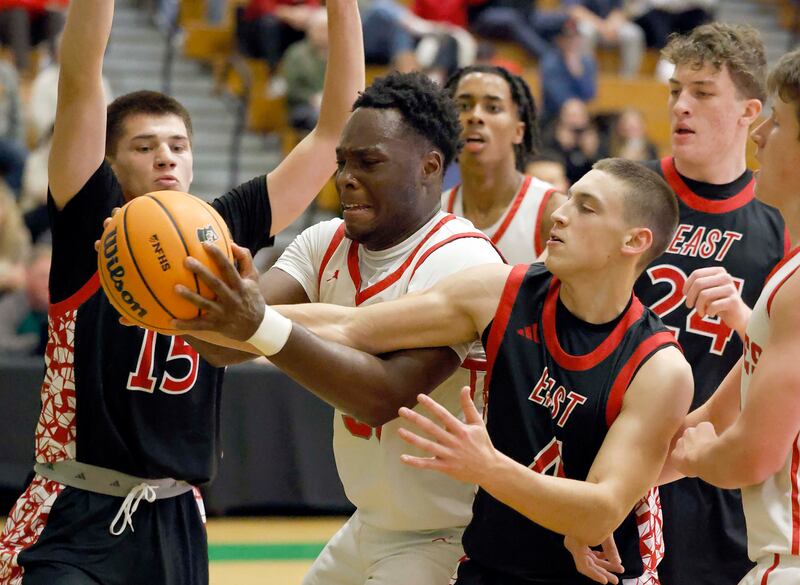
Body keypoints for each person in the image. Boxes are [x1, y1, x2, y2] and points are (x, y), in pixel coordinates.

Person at [172, 157, 693, 584]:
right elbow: (353, 327)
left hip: (599, 575)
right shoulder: (501, 292)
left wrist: (487, 468)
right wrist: (241, 320)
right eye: (567, 198)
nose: (560, 213)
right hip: (493, 562)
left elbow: (600, 511)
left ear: (633, 242)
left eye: (586, 207)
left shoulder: (659, 368)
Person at [0, 0, 364, 583]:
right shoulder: (89, 222)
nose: (165, 155)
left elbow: (331, 134)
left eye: (177, 145)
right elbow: (80, 77)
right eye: (144, 147)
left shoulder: (219, 232)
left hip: (176, 513)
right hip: (74, 506)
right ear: (110, 165)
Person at [570, 23, 790, 585]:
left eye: (702, 92)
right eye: (674, 91)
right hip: (619, 454)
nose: (681, 106)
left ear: (750, 113)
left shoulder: (780, 219)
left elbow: (778, 371)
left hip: (722, 469)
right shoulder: (626, 194)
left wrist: (748, 319)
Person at [669, 47, 800, 585]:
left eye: (781, 120)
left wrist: (701, 456)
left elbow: (750, 454)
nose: (761, 134)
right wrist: (611, 497)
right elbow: (716, 414)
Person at [442, 65, 566, 265]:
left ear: (518, 131)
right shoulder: (434, 214)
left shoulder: (551, 212)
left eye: (493, 108)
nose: (475, 116)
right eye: (463, 106)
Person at [0, 243, 50, 356]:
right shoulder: (10, 306)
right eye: (42, 276)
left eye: (52, 277)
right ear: (28, 276)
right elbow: (2, 344)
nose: (48, 283)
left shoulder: (65, 309)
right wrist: (39, 342)